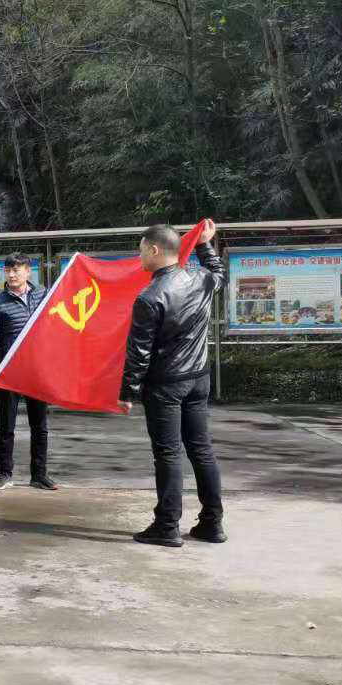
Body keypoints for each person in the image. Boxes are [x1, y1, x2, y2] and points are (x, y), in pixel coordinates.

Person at [119, 220, 227, 548]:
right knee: (201, 449)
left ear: (154, 250)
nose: (139, 256)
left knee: (167, 454)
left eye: (141, 250)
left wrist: (128, 392)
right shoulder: (201, 279)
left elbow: (139, 352)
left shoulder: (150, 296)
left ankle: (167, 526)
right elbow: (219, 273)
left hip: (165, 384)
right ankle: (212, 523)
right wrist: (205, 244)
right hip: (198, 379)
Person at [0, 253, 55, 491]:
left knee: (39, 426)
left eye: (16, 270)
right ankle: (4, 474)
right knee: (6, 426)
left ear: (28, 271)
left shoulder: (43, 295)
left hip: (36, 370)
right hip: (8, 372)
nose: (11, 275)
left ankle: (39, 475)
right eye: (8, 270)